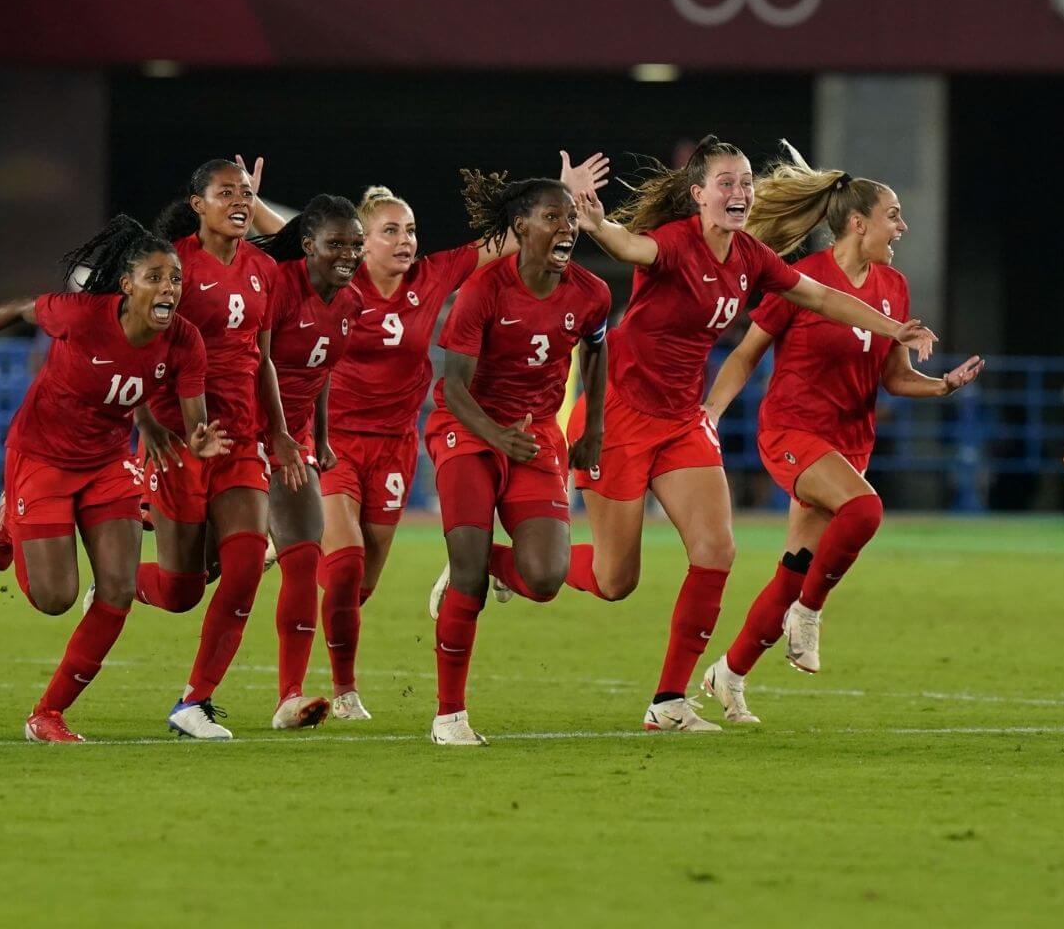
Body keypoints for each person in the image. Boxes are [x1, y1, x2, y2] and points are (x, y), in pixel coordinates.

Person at [554, 136, 938, 732]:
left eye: (745, 183)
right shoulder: (675, 244)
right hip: (619, 416)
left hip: (684, 419)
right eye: (725, 183)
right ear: (698, 194)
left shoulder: (751, 257)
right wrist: (595, 219)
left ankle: (669, 702)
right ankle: (507, 565)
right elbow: (629, 243)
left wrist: (896, 329)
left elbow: (823, 297)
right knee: (614, 580)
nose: (738, 192)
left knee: (716, 551)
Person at [0, 216, 223, 742]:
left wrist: (199, 441)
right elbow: (20, 308)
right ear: (127, 284)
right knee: (54, 599)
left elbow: (193, 422)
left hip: (108, 461)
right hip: (42, 456)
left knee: (116, 593)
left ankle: (47, 714)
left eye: (176, 280)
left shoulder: (184, 340)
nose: (169, 288)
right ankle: (8, 524)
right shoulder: (82, 315)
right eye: (156, 278)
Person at [697, 159, 984, 722]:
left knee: (796, 567)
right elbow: (746, 353)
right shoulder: (803, 279)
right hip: (791, 432)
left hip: (849, 443)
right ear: (858, 223)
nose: (901, 228)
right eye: (893, 217)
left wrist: (943, 386)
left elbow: (895, 378)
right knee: (866, 510)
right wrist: (710, 412)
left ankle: (727, 673)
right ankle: (809, 615)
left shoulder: (894, 287)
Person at [238, 158, 521, 721]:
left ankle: (292, 544)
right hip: (335, 442)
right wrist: (251, 205)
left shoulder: (433, 277)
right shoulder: (341, 280)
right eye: (390, 231)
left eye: (410, 229)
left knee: (358, 587)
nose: (405, 240)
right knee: (341, 570)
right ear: (359, 244)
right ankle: (343, 692)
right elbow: (293, 236)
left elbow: (504, 242)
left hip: (394, 447)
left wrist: (569, 202)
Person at [423, 170, 609, 746]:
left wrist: (593, 424)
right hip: (468, 430)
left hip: (538, 438)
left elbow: (599, 351)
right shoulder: (484, 290)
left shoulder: (592, 292)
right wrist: (496, 435)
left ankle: (473, 558)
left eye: (571, 219)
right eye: (553, 217)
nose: (567, 227)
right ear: (521, 226)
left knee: (546, 577)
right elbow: (453, 387)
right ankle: (449, 717)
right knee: (472, 585)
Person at [127, 158, 306, 741]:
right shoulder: (169, 264)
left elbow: (264, 357)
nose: (237, 200)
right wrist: (147, 421)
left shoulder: (263, 270)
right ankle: (123, 577)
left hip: (239, 440)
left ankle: (194, 702)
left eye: (246, 192)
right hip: (178, 440)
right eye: (225, 191)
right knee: (182, 590)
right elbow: (130, 343)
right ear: (197, 203)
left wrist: (277, 430)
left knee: (248, 562)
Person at [245, 194, 365, 729]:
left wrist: (317, 437)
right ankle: (128, 580)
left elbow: (319, 374)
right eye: (336, 244)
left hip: (292, 444)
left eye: (355, 245)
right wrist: (276, 434)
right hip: (236, 431)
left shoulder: (349, 302)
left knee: (302, 555)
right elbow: (257, 361)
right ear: (308, 243)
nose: (349, 254)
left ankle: (288, 698)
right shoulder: (275, 285)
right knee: (195, 577)